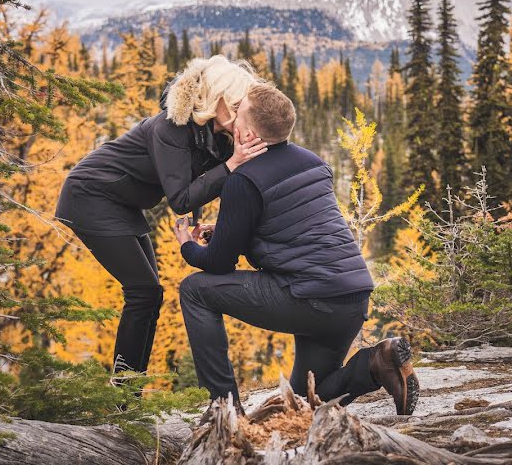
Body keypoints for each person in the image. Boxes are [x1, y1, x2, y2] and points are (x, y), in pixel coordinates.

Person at [173, 83, 420, 416]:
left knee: (194, 290)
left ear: (247, 132)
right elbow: (293, 225)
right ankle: (376, 362)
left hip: (309, 298)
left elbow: (218, 263)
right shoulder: (311, 161)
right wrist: (228, 230)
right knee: (303, 406)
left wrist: (188, 246)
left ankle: (225, 408)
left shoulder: (243, 180)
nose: (232, 116)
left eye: (239, 110)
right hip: (350, 297)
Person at [55, 55, 268, 379]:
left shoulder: (215, 133)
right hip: (90, 195)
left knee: (149, 296)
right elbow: (181, 198)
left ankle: (128, 394)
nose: (242, 113)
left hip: (123, 202)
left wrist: (203, 216)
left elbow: (208, 175)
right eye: (237, 105)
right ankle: (124, 398)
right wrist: (231, 165)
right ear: (216, 100)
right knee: (144, 292)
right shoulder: (170, 128)